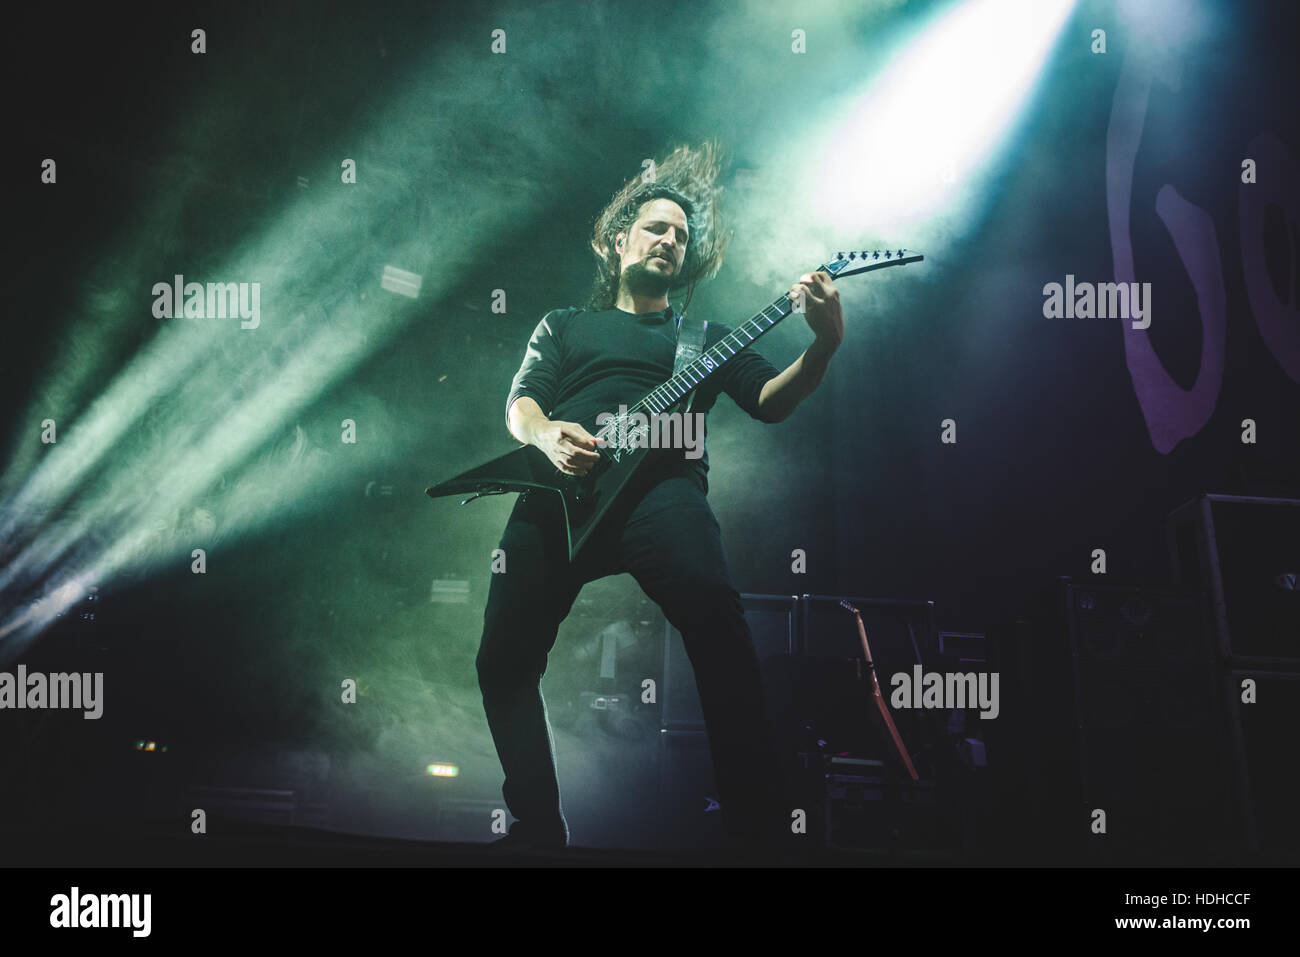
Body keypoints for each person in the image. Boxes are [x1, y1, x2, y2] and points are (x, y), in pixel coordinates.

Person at [477, 143, 844, 851]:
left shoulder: (704, 340)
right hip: (558, 488)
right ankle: (537, 827)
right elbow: (520, 405)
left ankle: (757, 825)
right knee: (502, 660)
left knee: (716, 619)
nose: (671, 239)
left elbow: (770, 401)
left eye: (681, 235)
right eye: (656, 227)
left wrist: (822, 348)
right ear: (620, 241)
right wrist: (550, 434)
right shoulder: (563, 325)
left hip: (661, 489)